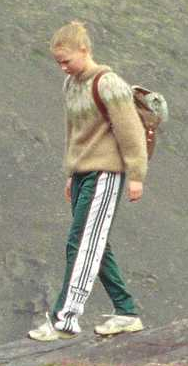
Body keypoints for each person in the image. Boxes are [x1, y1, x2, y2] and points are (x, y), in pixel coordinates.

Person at [28, 21, 148, 341]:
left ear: (85, 50)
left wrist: (136, 175)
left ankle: (65, 318)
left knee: (80, 242)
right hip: (82, 174)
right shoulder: (71, 86)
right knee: (96, 243)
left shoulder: (109, 84)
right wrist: (71, 173)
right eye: (58, 63)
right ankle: (126, 311)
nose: (63, 68)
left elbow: (131, 132)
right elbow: (74, 133)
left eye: (66, 60)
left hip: (106, 175)